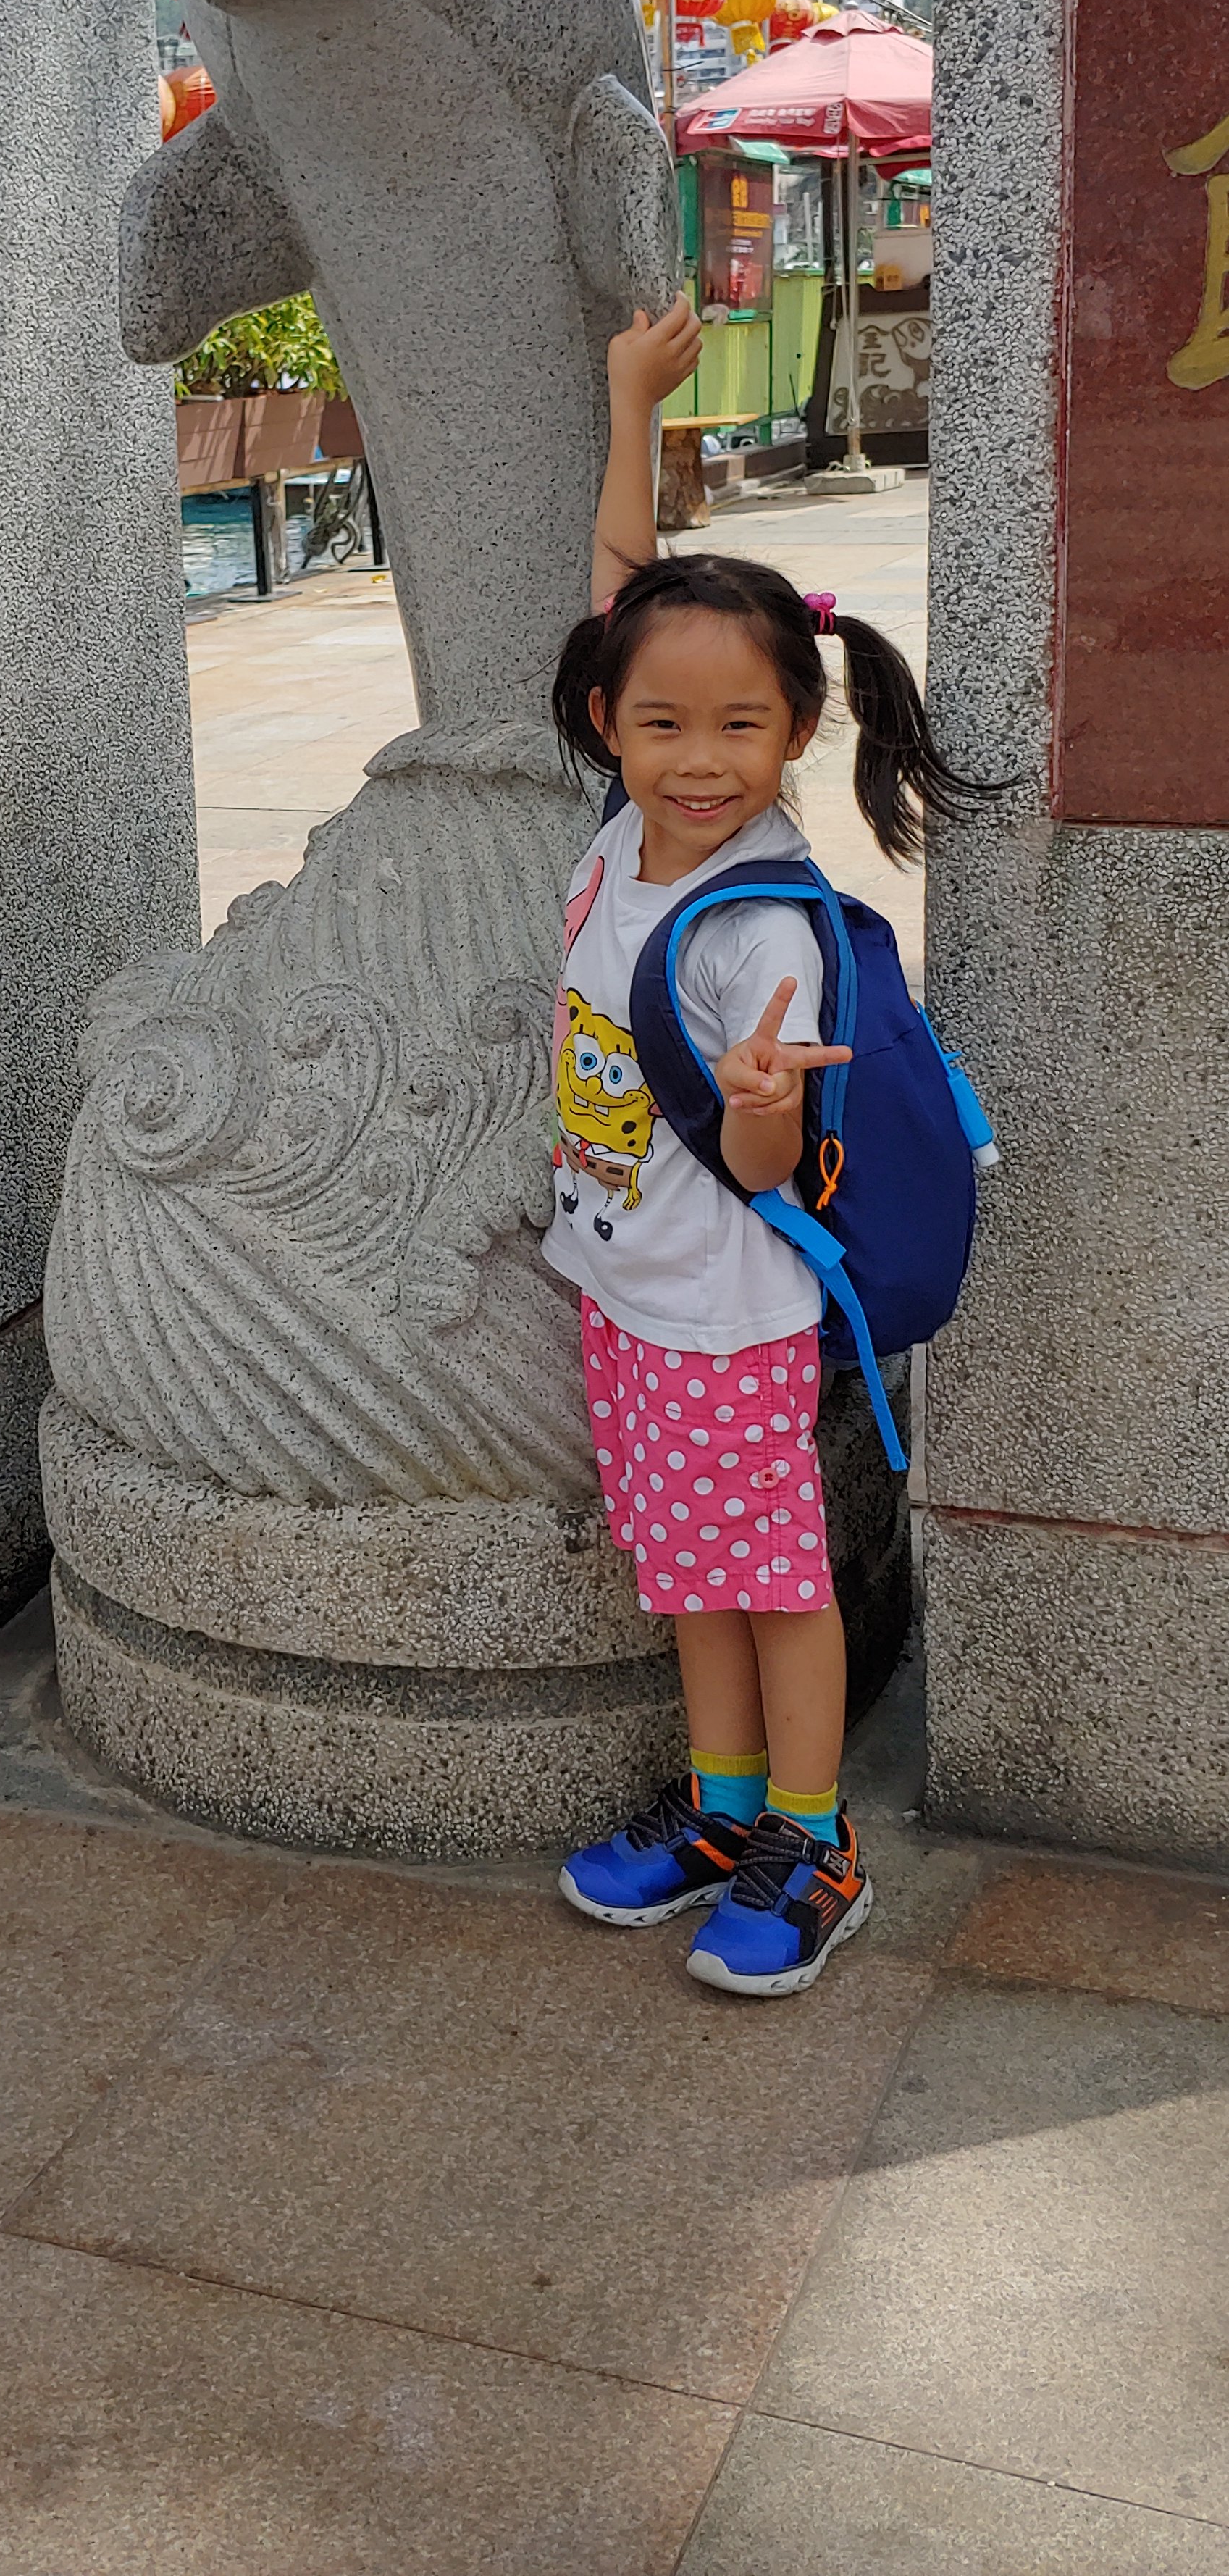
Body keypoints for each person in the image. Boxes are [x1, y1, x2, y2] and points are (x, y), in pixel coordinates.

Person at [546, 297, 981, 1997]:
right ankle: (726, 1812)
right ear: (605, 722)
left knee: (770, 1586)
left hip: (724, 1308)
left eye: (739, 728)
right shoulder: (623, 835)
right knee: (691, 1577)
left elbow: (756, 1167)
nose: (697, 757)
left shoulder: (754, 926)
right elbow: (622, 594)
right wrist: (626, 403)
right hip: (629, 1290)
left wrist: (751, 1098)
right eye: (662, 723)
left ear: (796, 732)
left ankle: (812, 1843)